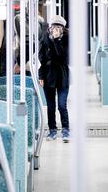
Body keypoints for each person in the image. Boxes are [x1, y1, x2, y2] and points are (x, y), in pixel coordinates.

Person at [38, 15, 70, 143]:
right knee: (51, 106)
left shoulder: (67, 39)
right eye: (53, 27)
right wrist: (41, 76)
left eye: (58, 27)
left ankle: (66, 130)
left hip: (62, 74)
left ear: (63, 28)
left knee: (62, 105)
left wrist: (57, 41)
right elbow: (42, 58)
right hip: (48, 74)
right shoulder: (45, 38)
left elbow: (64, 58)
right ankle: (52, 130)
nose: (55, 29)